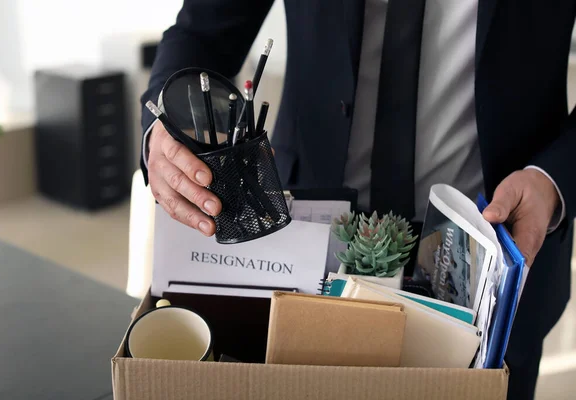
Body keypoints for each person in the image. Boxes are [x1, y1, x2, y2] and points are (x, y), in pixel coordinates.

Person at [139, 1, 575, 398]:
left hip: (495, 242)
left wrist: (553, 178)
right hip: (307, 236)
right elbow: (203, 33)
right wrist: (162, 130)